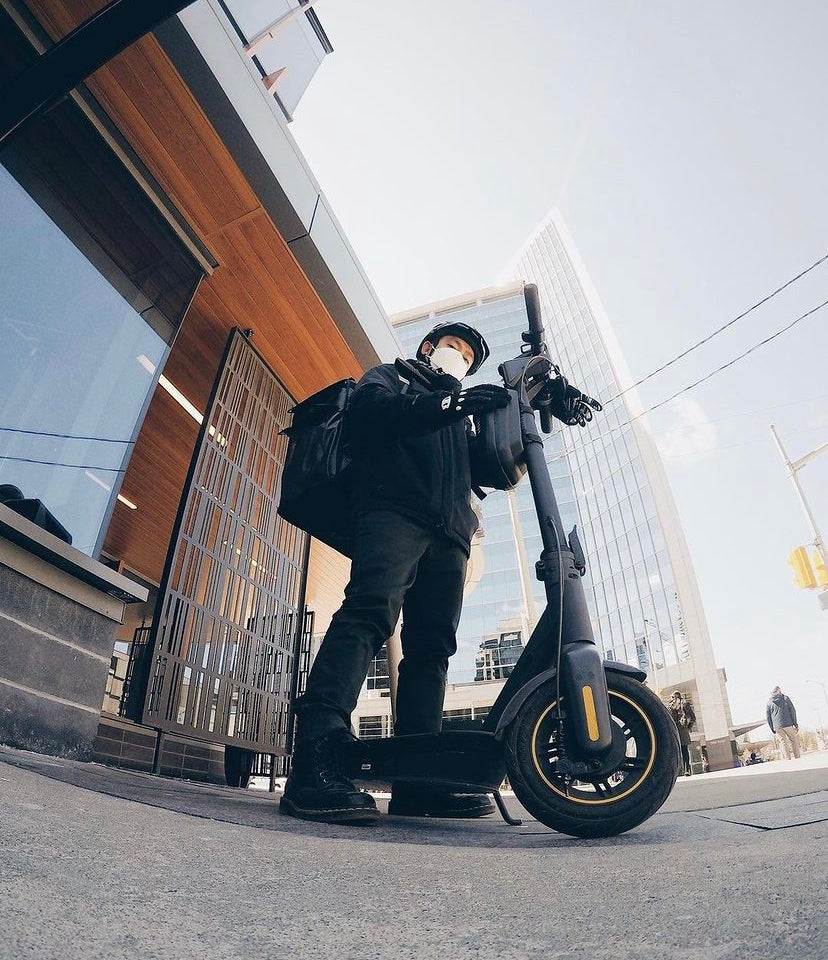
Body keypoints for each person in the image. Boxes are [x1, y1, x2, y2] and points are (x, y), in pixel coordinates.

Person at [280, 321, 514, 825]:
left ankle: (418, 781)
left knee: (433, 648)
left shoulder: (464, 420)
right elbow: (368, 414)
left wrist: (512, 414)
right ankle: (316, 757)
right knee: (368, 612)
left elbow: (491, 469)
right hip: (393, 510)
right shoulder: (393, 377)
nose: (462, 358)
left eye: (470, 356)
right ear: (430, 348)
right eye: (455, 347)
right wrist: (449, 403)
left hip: (451, 534)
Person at [766, 685, 800, 759]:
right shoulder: (785, 698)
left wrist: (772, 729)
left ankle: (788, 759)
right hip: (788, 724)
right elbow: (792, 711)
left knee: (783, 742)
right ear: (779, 691)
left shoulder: (769, 702)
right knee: (793, 740)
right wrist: (795, 724)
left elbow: (768, 717)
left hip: (777, 727)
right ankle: (797, 758)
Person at [667, 690, 696, 776]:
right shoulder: (674, 706)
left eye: (672, 698)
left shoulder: (680, 705)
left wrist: (688, 727)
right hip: (680, 730)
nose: (672, 700)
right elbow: (693, 717)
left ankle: (682, 770)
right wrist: (688, 727)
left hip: (677, 731)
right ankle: (685, 770)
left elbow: (692, 717)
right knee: (683, 751)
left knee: (679, 751)